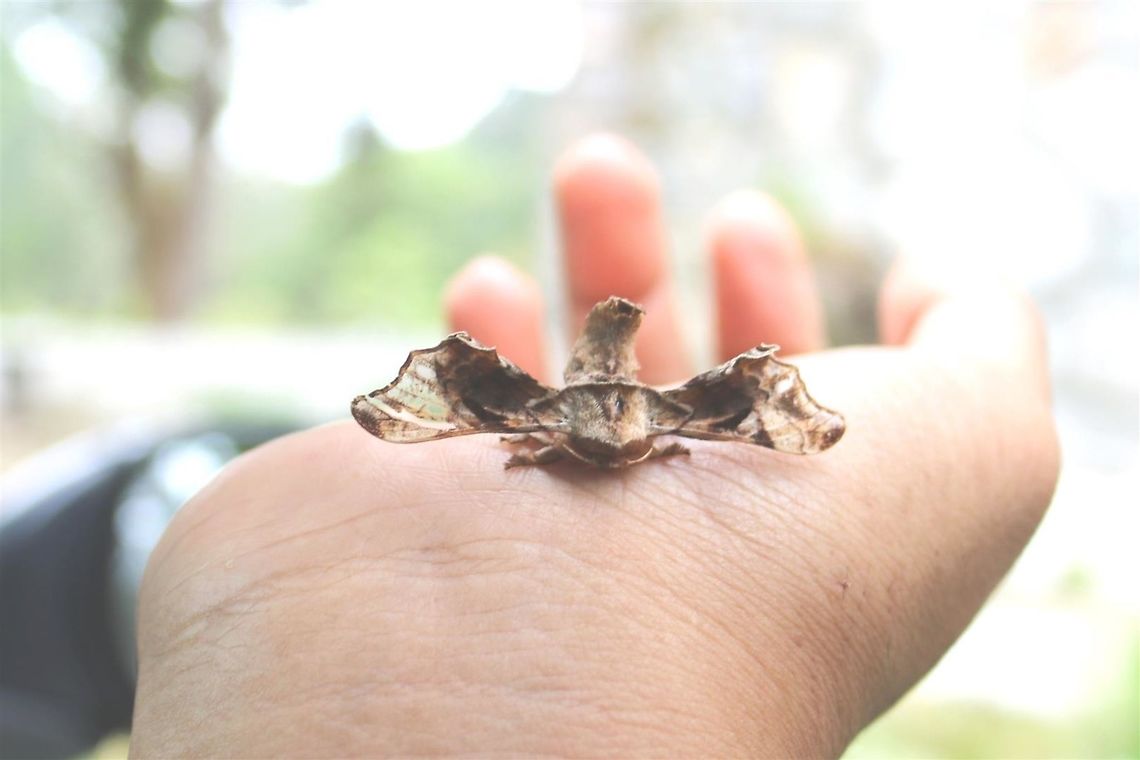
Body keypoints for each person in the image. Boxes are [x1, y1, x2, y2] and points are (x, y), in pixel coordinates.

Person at [128, 134, 1059, 757]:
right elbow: (549, 423)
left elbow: (705, 427)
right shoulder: (543, 419)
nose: (616, 444)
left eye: (631, 436)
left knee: (727, 419)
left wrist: (654, 441)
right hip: (567, 406)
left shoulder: (670, 416)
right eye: (599, 438)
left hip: (644, 408)